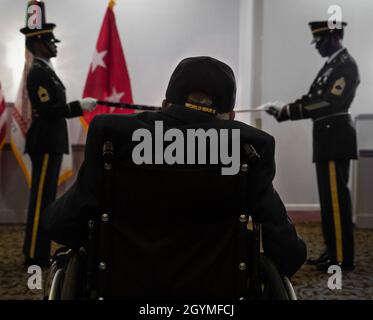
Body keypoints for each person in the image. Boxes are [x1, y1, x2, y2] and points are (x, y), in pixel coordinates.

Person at [42, 56, 306, 293]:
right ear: (230, 116)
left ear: (165, 104)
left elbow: (61, 226)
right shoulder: (249, 146)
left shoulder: (112, 136)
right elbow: (287, 253)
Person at [266, 21, 359, 271]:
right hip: (328, 138)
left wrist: (288, 110)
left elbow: (328, 103)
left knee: (337, 201)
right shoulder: (331, 67)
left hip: (335, 138)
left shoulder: (346, 66)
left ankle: (341, 256)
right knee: (329, 202)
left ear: (334, 37)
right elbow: (312, 99)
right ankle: (333, 250)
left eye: (320, 42)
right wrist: (284, 110)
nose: (317, 47)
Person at [20, 1, 97, 267]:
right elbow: (48, 109)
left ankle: (38, 251)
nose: (55, 45)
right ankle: (34, 253)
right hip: (44, 140)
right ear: (39, 43)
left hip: (51, 140)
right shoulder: (38, 73)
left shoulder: (47, 72)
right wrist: (77, 107)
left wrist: (76, 106)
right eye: (51, 41)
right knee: (41, 199)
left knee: (46, 198)